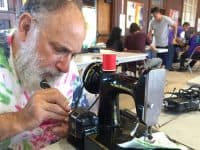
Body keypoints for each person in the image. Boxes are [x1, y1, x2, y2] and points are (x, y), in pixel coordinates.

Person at [0, 0, 88, 149]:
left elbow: (82, 117)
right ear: (26, 27)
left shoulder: (70, 72)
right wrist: (20, 119)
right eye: (59, 49)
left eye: (73, 55)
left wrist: (73, 128)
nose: (66, 68)